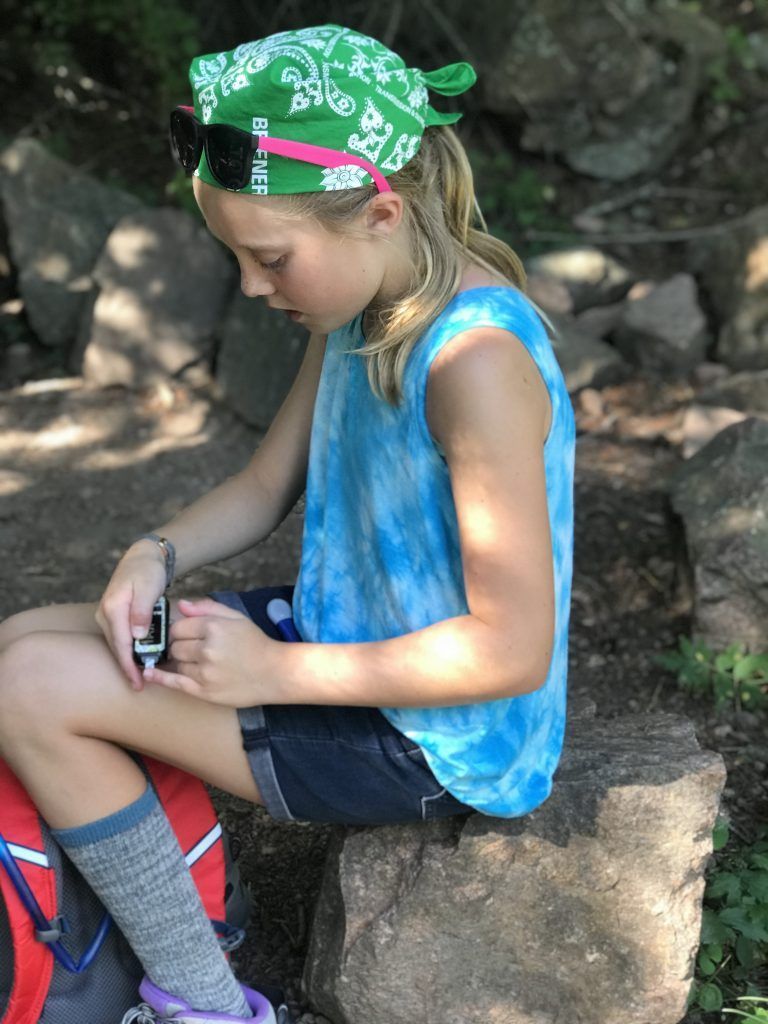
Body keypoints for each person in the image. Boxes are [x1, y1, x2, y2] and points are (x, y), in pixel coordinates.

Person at [0, 22, 575, 1024]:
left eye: (270, 257)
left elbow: (513, 650)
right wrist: (153, 549)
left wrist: (276, 674)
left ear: (378, 211)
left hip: (429, 737)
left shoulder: (472, 363)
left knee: (31, 686)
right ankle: (168, 903)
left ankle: (206, 1001)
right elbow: (267, 485)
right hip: (344, 648)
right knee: (27, 641)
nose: (256, 287)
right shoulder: (365, 307)